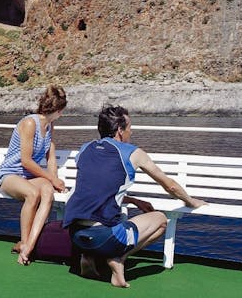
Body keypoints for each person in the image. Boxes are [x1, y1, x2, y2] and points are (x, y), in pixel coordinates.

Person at [63, 105, 207, 288]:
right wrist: (191, 201)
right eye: (129, 126)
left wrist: (133, 200)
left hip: (76, 236)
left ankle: (88, 256)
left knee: (120, 216)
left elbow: (98, 189)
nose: (132, 131)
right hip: (105, 237)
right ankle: (118, 259)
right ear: (120, 130)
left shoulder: (85, 149)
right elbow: (169, 185)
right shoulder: (132, 153)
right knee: (161, 220)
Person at [0, 84, 68, 265]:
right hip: (10, 174)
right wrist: (51, 178)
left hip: (28, 177)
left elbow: (51, 157)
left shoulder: (50, 126)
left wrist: (54, 180)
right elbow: (26, 161)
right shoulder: (30, 123)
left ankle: (29, 246)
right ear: (59, 110)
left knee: (47, 192)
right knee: (33, 193)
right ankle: (25, 242)